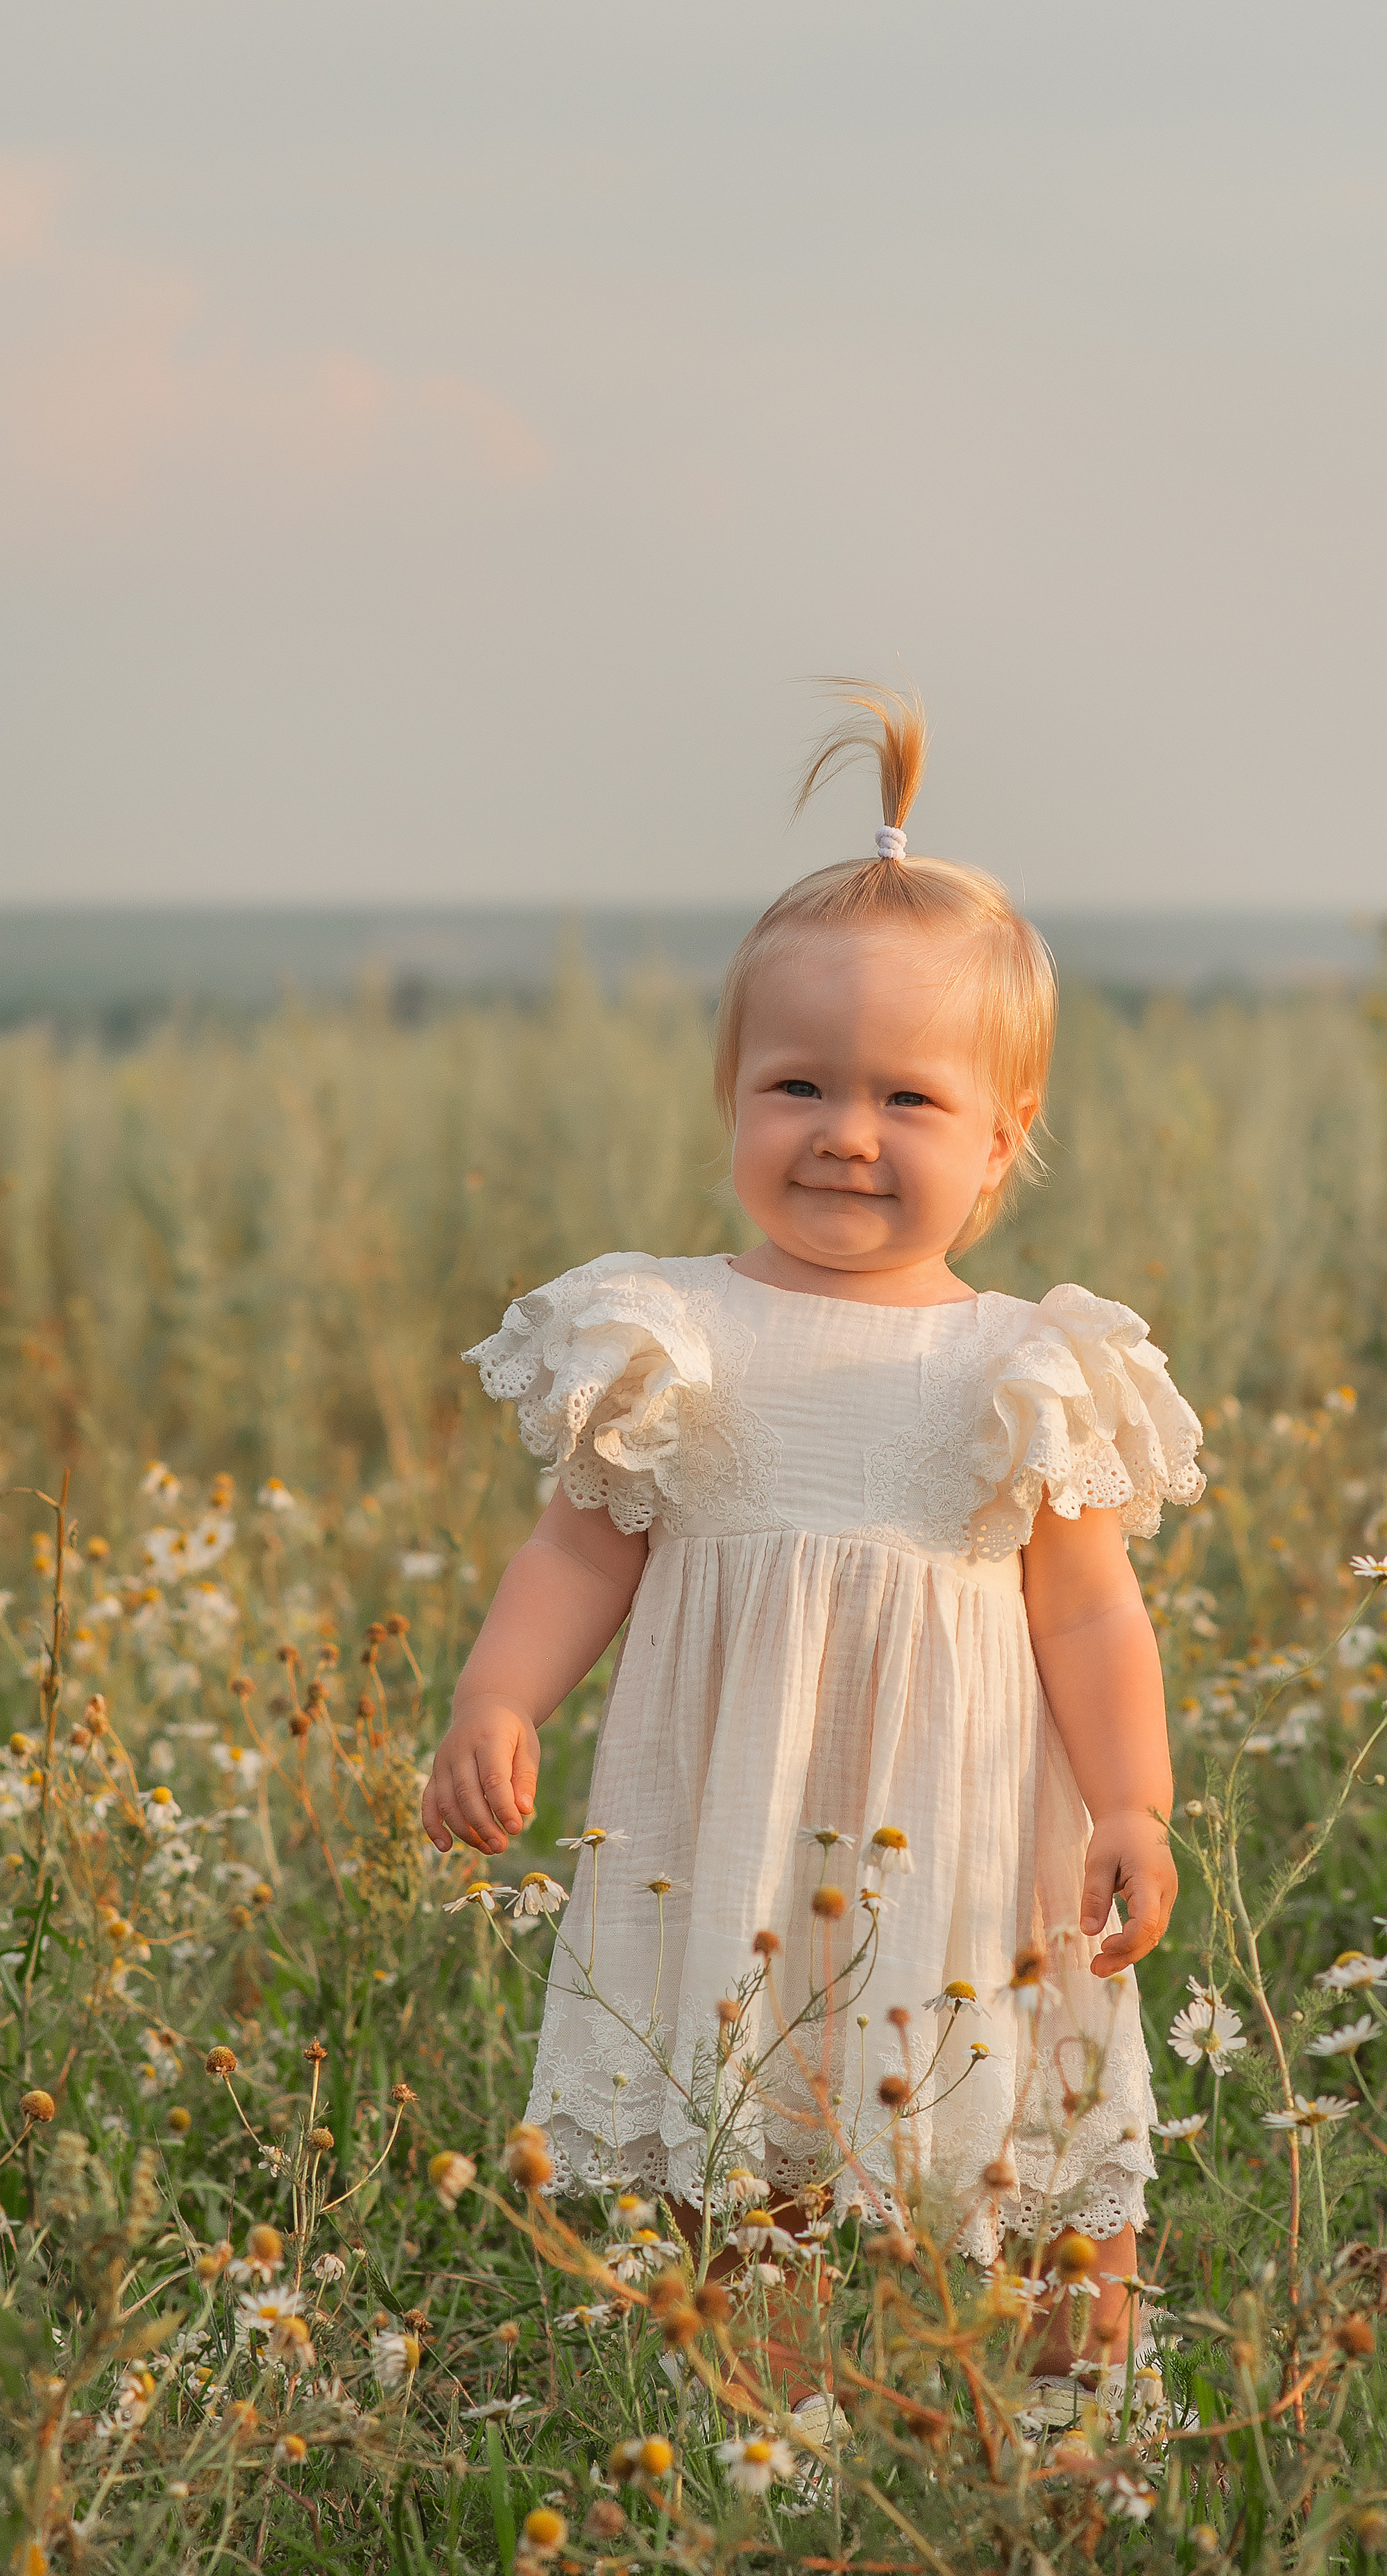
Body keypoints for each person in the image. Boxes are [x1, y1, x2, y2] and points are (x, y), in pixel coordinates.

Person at [420, 686, 1204, 2393]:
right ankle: (774, 2446)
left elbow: (1084, 1615)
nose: (845, 1131)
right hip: (737, 1832)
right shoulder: (670, 1332)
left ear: (1000, 1146)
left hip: (977, 1847)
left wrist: (1131, 1802)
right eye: (797, 1083)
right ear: (729, 1102)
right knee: (749, 2146)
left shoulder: (1019, 1364)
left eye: (908, 1101)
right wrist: (498, 1703)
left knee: (1039, 2141)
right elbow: (581, 1551)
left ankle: (1075, 2433)